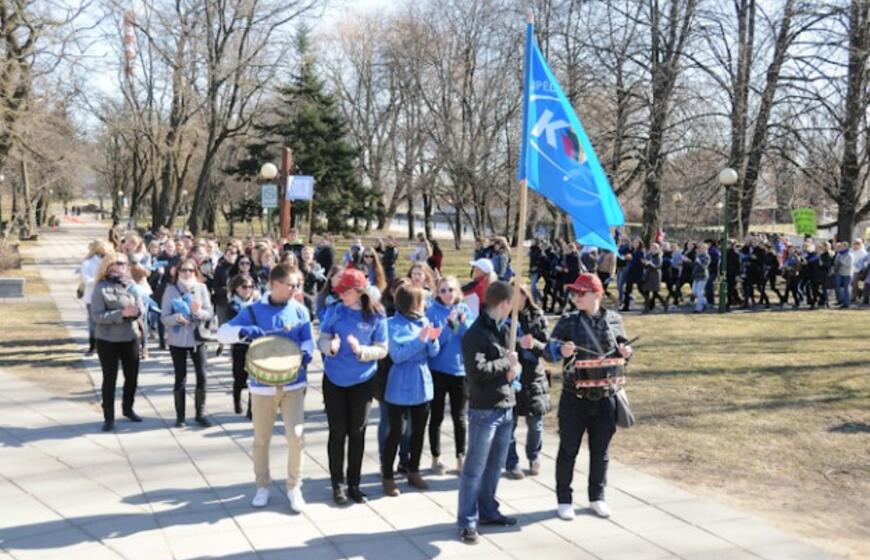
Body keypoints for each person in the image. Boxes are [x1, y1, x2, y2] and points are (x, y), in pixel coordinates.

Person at [217, 265, 313, 513]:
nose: (295, 289)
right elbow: (222, 334)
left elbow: (307, 339)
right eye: (291, 285)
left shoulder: (300, 309)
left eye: (297, 285)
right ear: (275, 284)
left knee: (296, 436)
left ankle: (294, 487)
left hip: (294, 383)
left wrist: (306, 353)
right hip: (262, 387)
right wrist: (243, 331)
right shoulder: (253, 310)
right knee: (261, 440)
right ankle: (262, 485)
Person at [548, 273, 633, 521]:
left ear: (596, 294)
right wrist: (560, 350)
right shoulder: (568, 321)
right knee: (568, 450)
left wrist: (628, 351)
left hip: (606, 395)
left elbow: (626, 350)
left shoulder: (614, 320)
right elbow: (549, 350)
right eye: (573, 293)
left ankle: (597, 497)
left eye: (581, 293)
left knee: (601, 451)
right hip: (575, 396)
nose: (575, 297)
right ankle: (564, 499)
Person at [317, 268, 389, 505]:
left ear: (359, 291)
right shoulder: (335, 310)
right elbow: (322, 338)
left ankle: (354, 484)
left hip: (363, 381)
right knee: (337, 432)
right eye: (339, 291)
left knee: (357, 432)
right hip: (334, 378)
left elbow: (382, 348)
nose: (341, 296)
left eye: (345, 292)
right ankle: (337, 484)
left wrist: (362, 351)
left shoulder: (376, 315)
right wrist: (331, 347)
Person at [457, 281, 520, 544]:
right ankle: (467, 521)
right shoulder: (476, 334)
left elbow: (508, 366)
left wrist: (513, 370)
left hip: (506, 406)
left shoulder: (504, 330)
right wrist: (507, 362)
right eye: (511, 304)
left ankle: (488, 511)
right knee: (475, 468)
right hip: (484, 409)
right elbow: (478, 372)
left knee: (495, 467)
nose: (512, 309)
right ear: (504, 303)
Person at [381, 284, 441, 496]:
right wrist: (421, 340)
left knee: (418, 430)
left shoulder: (424, 321)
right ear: (413, 303)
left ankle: (413, 470)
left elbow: (433, 353)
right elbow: (397, 355)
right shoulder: (390, 324)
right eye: (422, 300)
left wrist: (433, 338)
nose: (426, 303)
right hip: (399, 382)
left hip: (422, 382)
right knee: (396, 431)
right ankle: (387, 475)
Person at [426, 276, 475, 475]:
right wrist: (450, 326)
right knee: (436, 416)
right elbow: (437, 343)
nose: (447, 294)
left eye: (451, 290)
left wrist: (461, 324)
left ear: (458, 292)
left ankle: (461, 457)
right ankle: (436, 458)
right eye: (443, 290)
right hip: (438, 370)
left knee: (460, 417)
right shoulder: (431, 312)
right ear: (437, 292)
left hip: (460, 371)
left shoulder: (465, 310)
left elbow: (470, 338)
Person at [91, 253, 143, 431]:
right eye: (119, 263)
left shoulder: (130, 284)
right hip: (108, 340)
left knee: (132, 377)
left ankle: (128, 408)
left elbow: (141, 308)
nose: (123, 266)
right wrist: (121, 314)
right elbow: (97, 316)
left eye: (125, 264)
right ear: (109, 266)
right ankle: (109, 418)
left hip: (130, 336)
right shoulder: (101, 287)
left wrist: (137, 311)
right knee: (110, 379)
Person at [161, 257, 214, 427]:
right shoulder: (171, 290)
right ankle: (180, 416)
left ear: (195, 272)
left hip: (198, 339)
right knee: (180, 377)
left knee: (202, 375)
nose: (187, 273)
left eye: (190, 270)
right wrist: (177, 318)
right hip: (177, 340)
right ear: (178, 272)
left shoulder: (201, 288)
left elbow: (209, 313)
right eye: (183, 270)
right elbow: (164, 318)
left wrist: (198, 314)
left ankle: (200, 413)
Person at [504, 284, 550, 479]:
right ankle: (511, 462)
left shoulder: (537, 316)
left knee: (535, 423)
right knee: (509, 424)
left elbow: (547, 347)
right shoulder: (504, 316)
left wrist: (534, 344)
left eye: (519, 294)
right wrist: (514, 345)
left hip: (533, 377)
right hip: (511, 375)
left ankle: (534, 455)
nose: (516, 298)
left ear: (525, 295)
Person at [226, 273, 259, 416]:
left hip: (256, 345)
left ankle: (252, 408)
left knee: (255, 377)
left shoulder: (257, 304)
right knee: (239, 377)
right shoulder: (232, 305)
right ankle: (237, 401)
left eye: (251, 287)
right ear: (236, 289)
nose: (248, 290)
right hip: (240, 345)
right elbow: (234, 325)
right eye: (244, 287)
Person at [81, 240, 114, 355]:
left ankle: (107, 344)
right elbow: (86, 279)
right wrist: (99, 281)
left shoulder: (110, 262)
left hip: (108, 295)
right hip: (92, 296)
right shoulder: (88, 263)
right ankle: (93, 345)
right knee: (93, 321)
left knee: (108, 320)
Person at [691, 242, 710, 312]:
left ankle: (699, 308)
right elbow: (694, 266)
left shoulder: (707, 256)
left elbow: (704, 266)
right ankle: (705, 302)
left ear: (705, 249)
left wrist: (699, 262)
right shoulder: (698, 255)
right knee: (694, 292)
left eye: (702, 248)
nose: (700, 249)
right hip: (696, 276)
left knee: (699, 292)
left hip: (703, 276)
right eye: (700, 248)